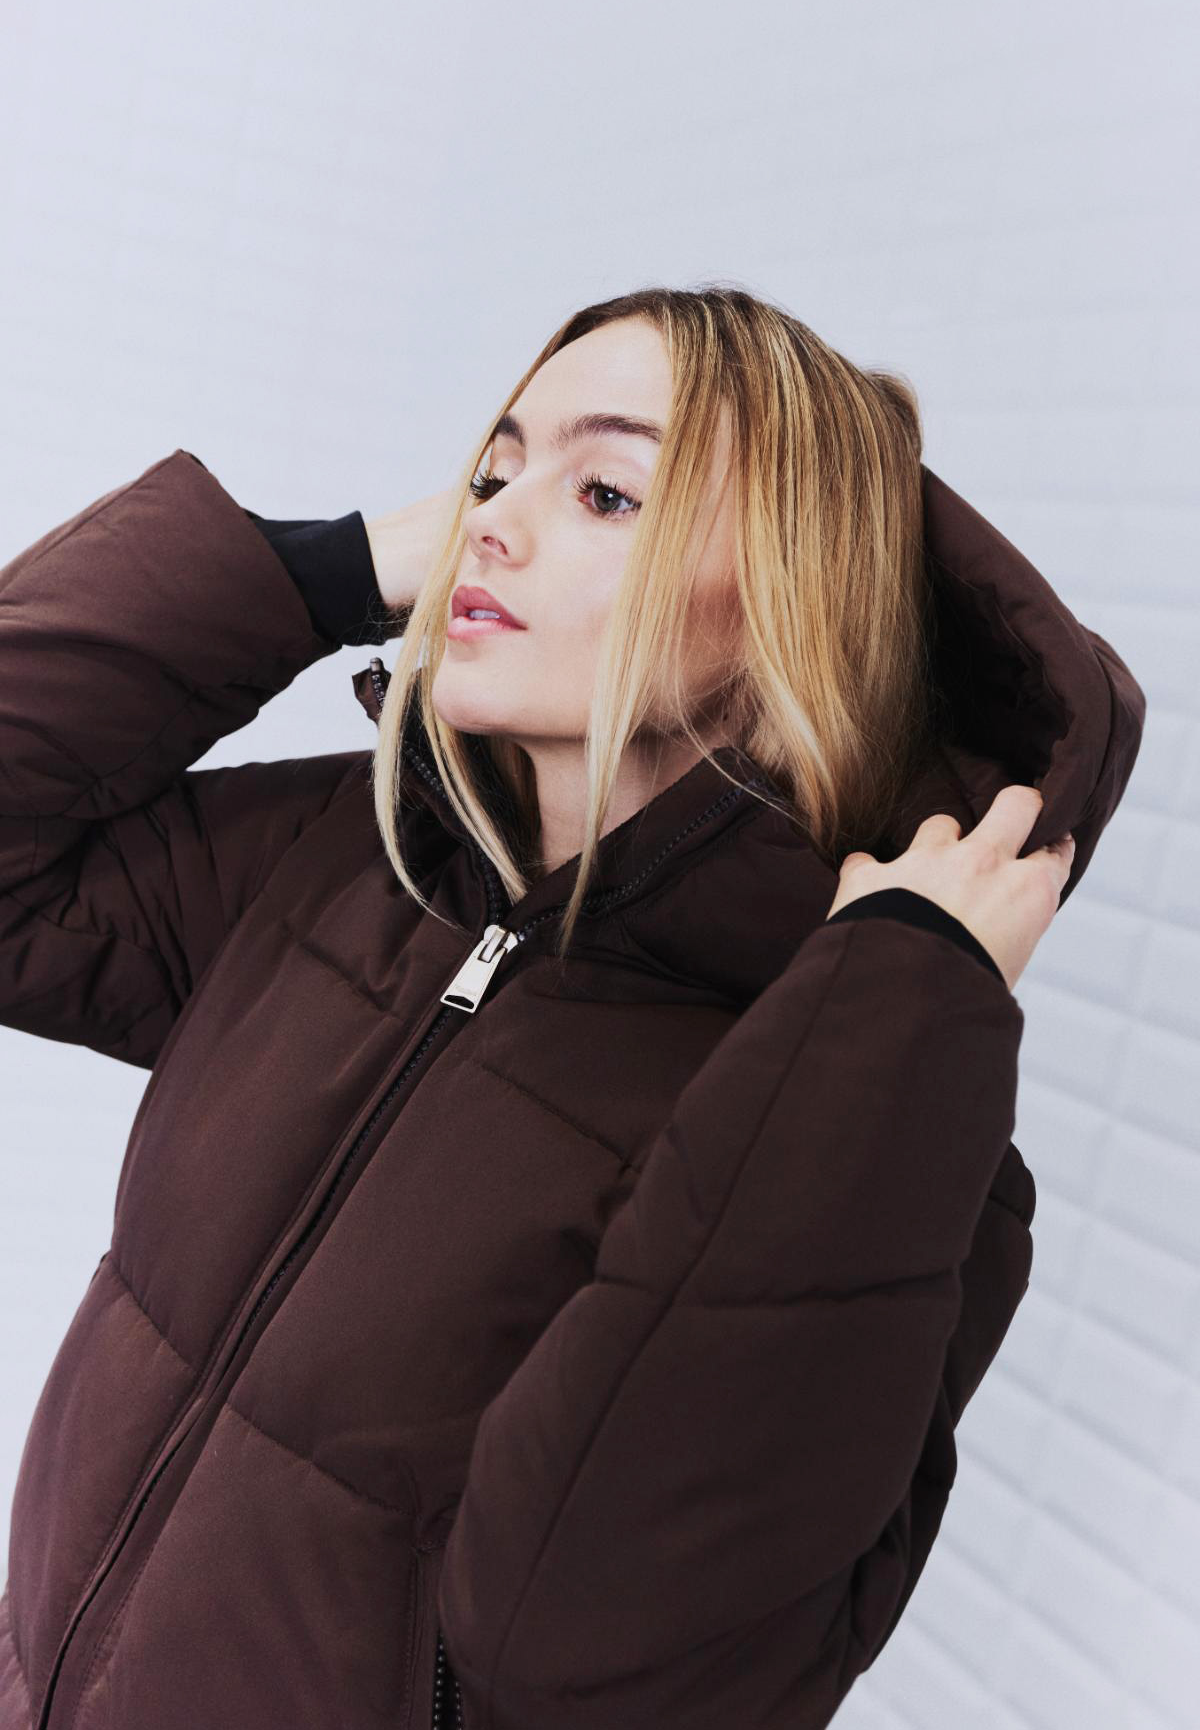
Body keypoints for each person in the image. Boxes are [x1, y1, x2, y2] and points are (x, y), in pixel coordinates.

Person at [0, 286, 1145, 1730]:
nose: (488, 523)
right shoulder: (350, 864)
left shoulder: (877, 1119)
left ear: (798, 600)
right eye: (494, 470)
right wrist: (328, 568)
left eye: (606, 491)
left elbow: (605, 1640)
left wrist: (899, 1006)